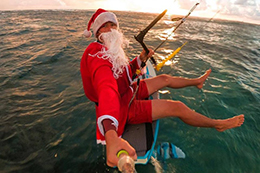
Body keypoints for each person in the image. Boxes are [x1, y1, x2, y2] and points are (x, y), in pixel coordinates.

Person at [80, 8, 244, 168]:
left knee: (164, 78)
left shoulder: (111, 49)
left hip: (129, 91)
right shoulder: (96, 53)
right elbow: (106, 88)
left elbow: (124, 74)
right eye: (104, 26)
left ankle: (197, 82)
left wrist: (140, 60)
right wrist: (111, 135)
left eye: (113, 25)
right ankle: (217, 124)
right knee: (177, 107)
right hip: (122, 106)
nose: (110, 29)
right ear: (97, 32)